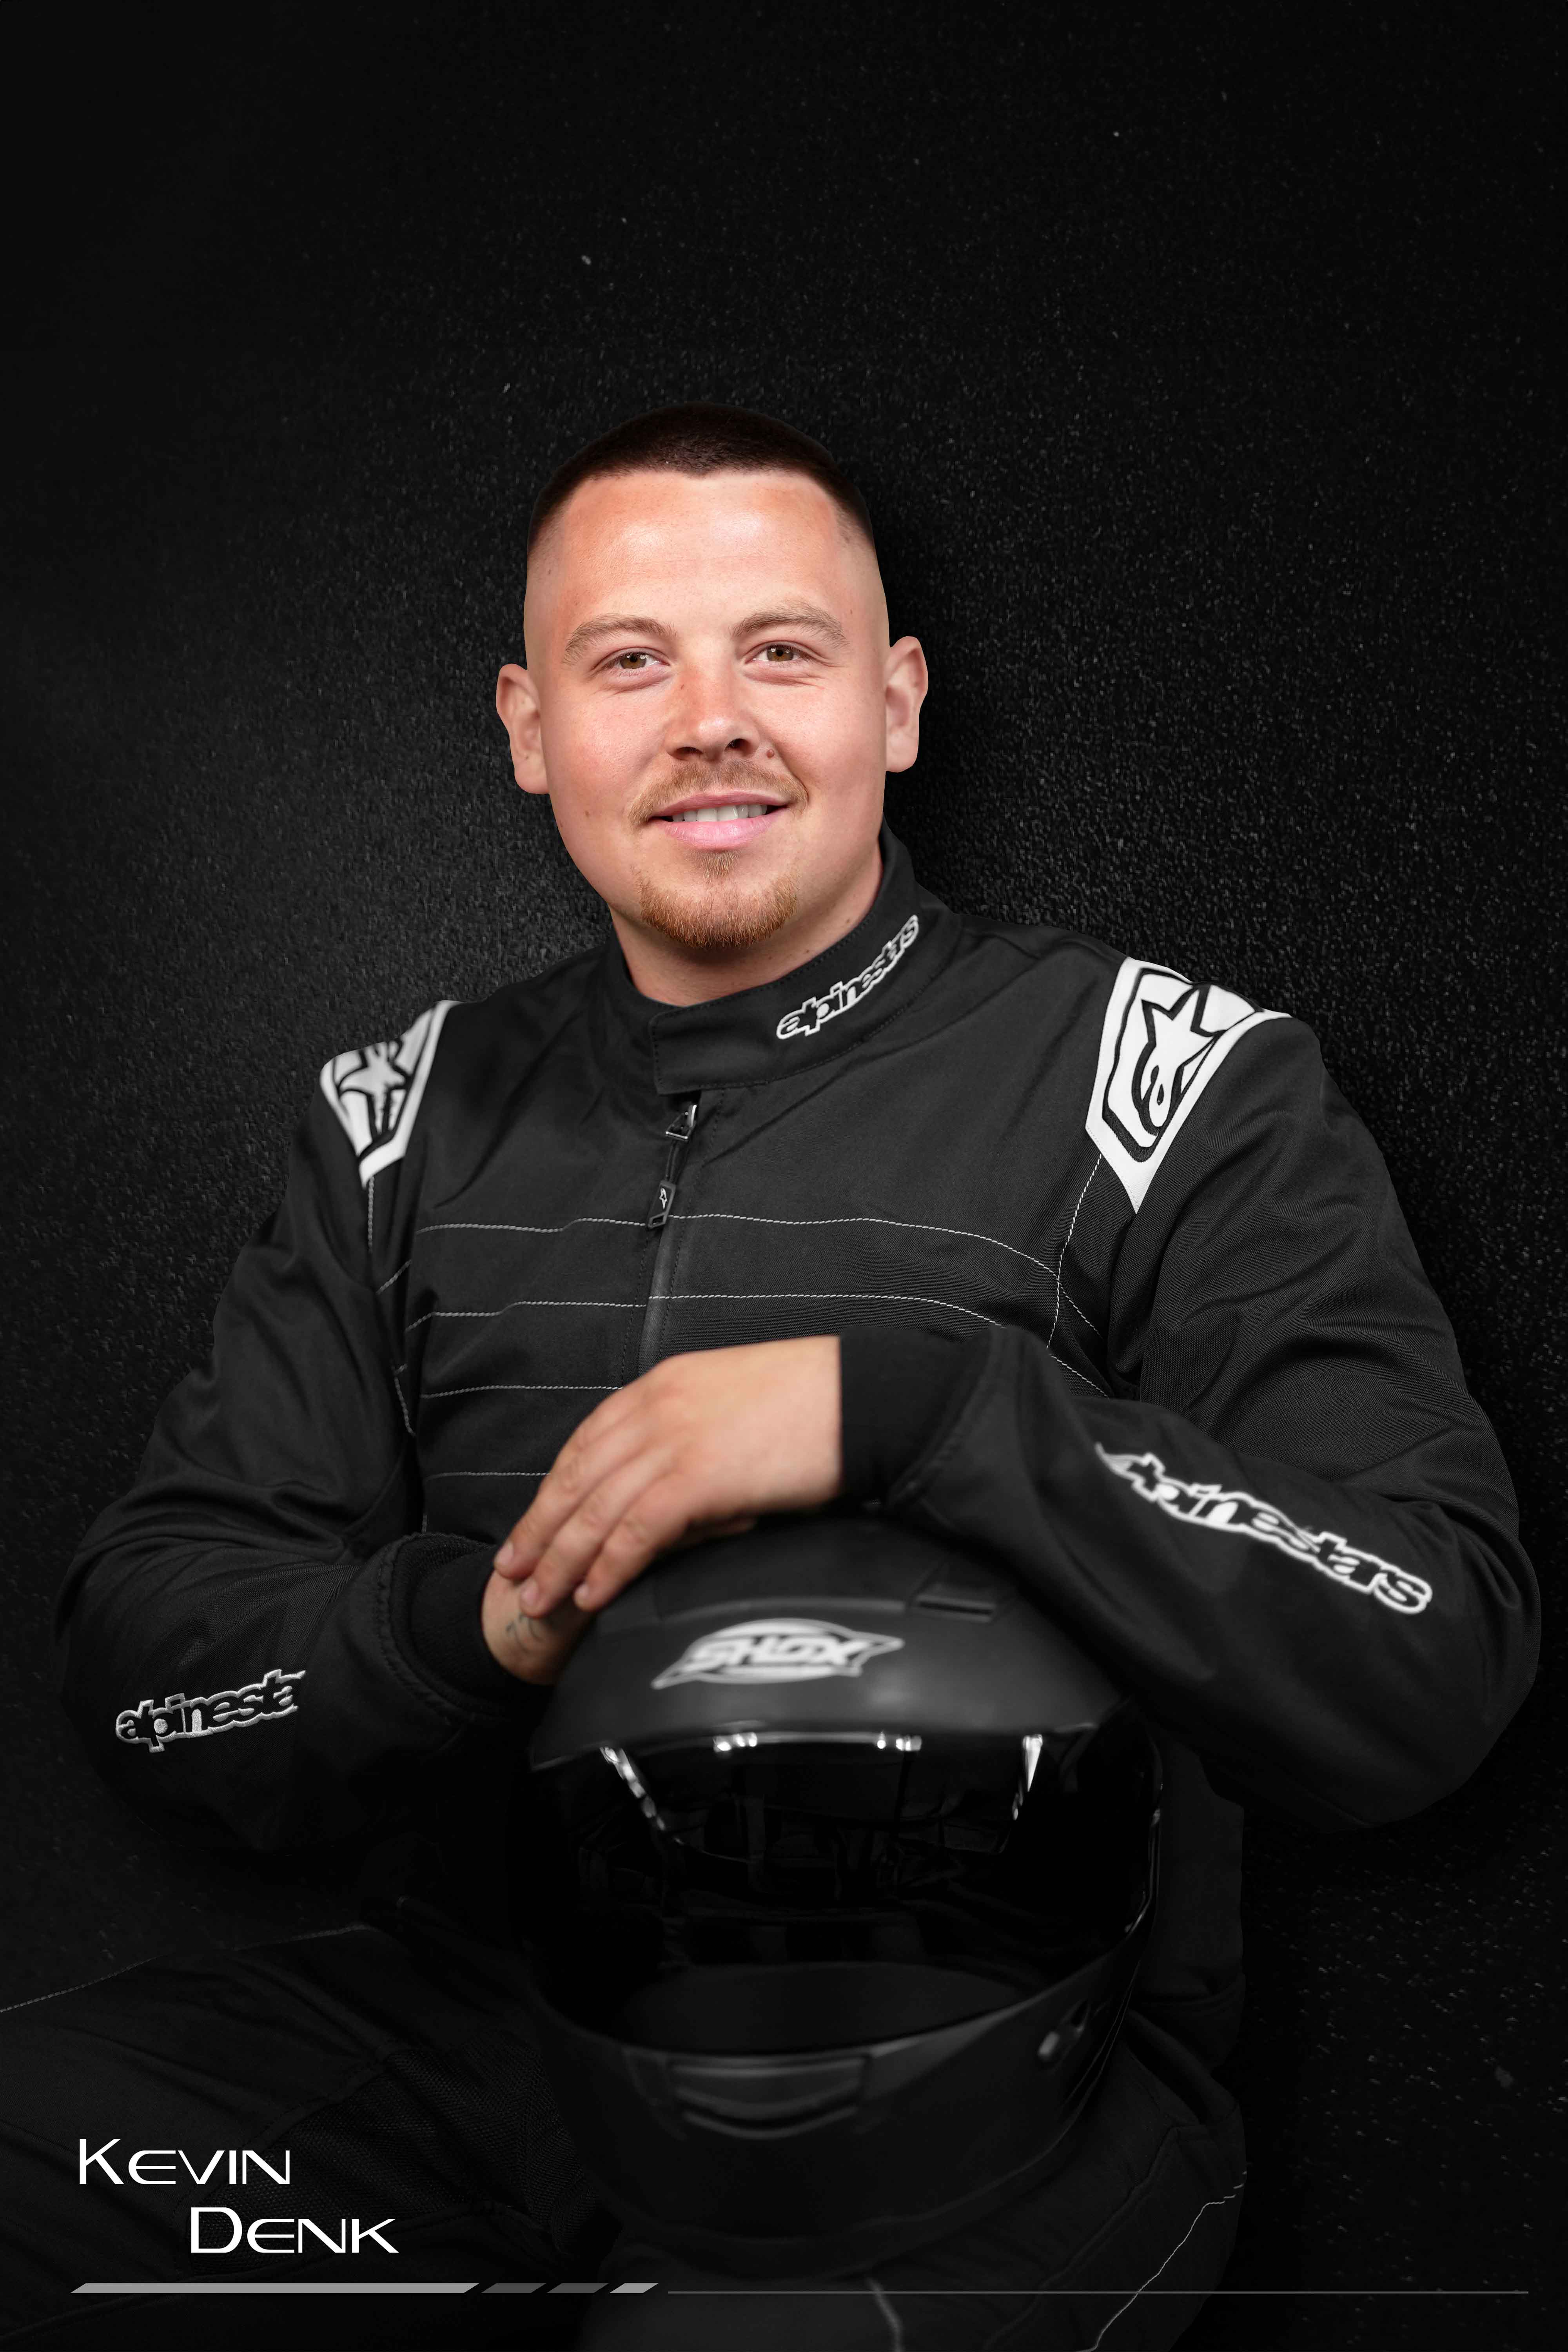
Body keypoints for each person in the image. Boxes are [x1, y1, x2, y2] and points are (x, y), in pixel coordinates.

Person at [0, 405, 1537, 2352]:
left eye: (781, 653)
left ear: (897, 705)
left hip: (995, 2084)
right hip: (490, 2045)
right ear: (529, 728)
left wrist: (929, 1412)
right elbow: (154, 1659)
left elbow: (1427, 1650)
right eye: (630, 661)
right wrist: (476, 1625)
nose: (710, 721)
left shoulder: (1174, 1087)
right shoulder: (399, 1121)